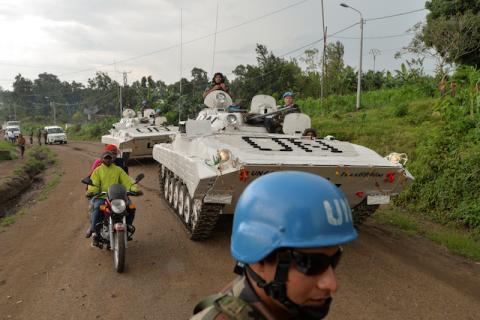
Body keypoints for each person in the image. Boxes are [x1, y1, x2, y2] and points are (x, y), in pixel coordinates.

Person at [192, 171, 357, 320]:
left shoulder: (282, 308)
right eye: (311, 264)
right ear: (260, 260)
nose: (332, 284)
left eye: (335, 260)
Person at [86, 151, 141, 246]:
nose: (108, 159)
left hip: (117, 196)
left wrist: (134, 189)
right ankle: (94, 232)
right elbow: (94, 184)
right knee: (97, 207)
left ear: (112, 159)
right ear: (102, 159)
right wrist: (92, 191)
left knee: (131, 207)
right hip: (103, 196)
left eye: (109, 158)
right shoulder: (98, 171)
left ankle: (127, 225)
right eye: (106, 158)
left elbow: (127, 181)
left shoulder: (118, 170)